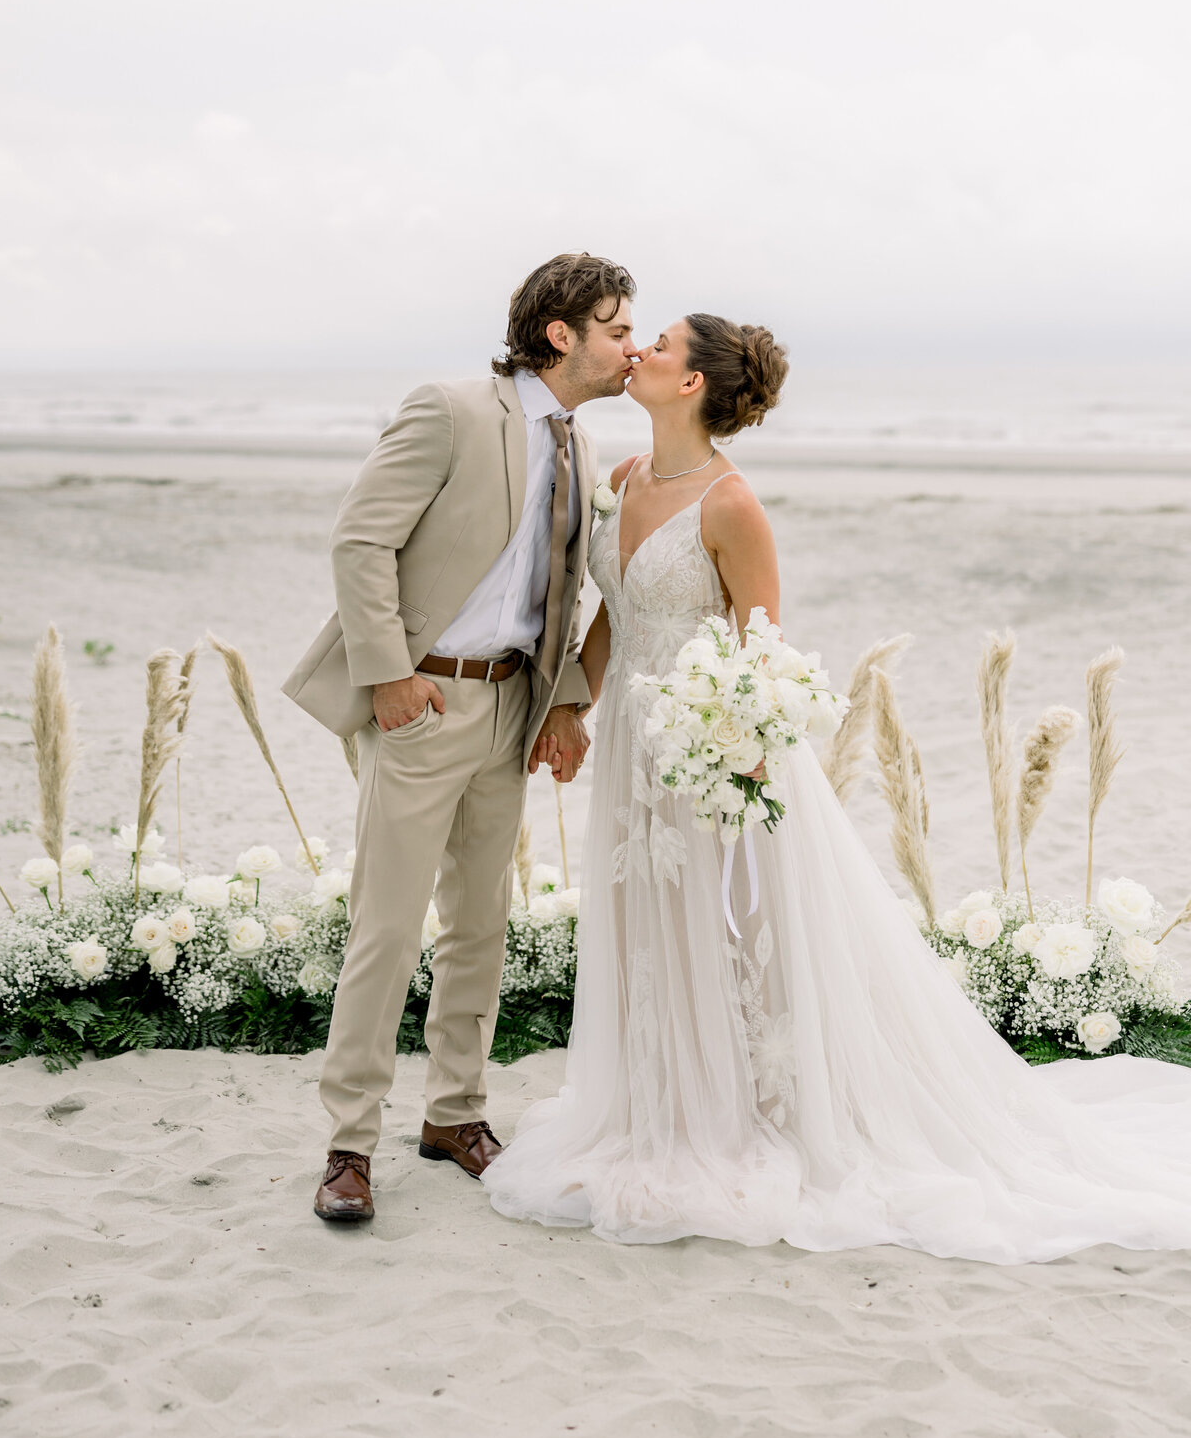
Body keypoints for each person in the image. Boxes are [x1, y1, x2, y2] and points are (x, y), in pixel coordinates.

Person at [483, 313, 1191, 1263]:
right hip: (631, 752)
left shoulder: (732, 507)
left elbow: (759, 649)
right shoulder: (625, 480)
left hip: (714, 756)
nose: (640, 352)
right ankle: (664, 1103)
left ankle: (745, 1119)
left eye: (659, 345)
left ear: (691, 384)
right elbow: (615, 610)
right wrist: (572, 704)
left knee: (735, 937)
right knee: (647, 922)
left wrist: (730, 754)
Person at [283, 253, 637, 1221]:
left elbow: (561, 599)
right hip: (424, 704)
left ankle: (455, 1116)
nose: (630, 345)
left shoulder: (580, 444)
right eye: (615, 328)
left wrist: (564, 704)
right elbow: (362, 541)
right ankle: (349, 1144)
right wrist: (390, 675)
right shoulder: (448, 408)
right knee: (388, 929)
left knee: (481, 927)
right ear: (560, 335)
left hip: (513, 707)